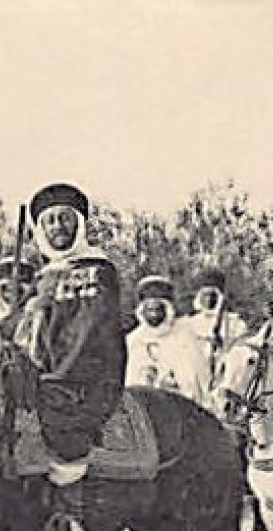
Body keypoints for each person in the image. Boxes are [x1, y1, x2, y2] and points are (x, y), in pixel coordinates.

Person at [15, 182, 126, 487]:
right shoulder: (43, 277)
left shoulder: (95, 270)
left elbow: (90, 330)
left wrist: (54, 375)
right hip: (36, 378)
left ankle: (65, 512)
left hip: (80, 379)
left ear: (79, 224)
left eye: (65, 218)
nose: (57, 227)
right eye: (49, 221)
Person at [175, 268, 248, 409]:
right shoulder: (186, 325)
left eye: (213, 295)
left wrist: (223, 347)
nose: (209, 300)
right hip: (194, 391)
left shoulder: (235, 324)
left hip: (224, 387)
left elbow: (241, 358)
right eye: (205, 295)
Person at [124, 274, 195, 394]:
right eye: (150, 310)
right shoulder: (133, 340)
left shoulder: (183, 334)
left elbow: (191, 377)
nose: (154, 314)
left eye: (158, 309)